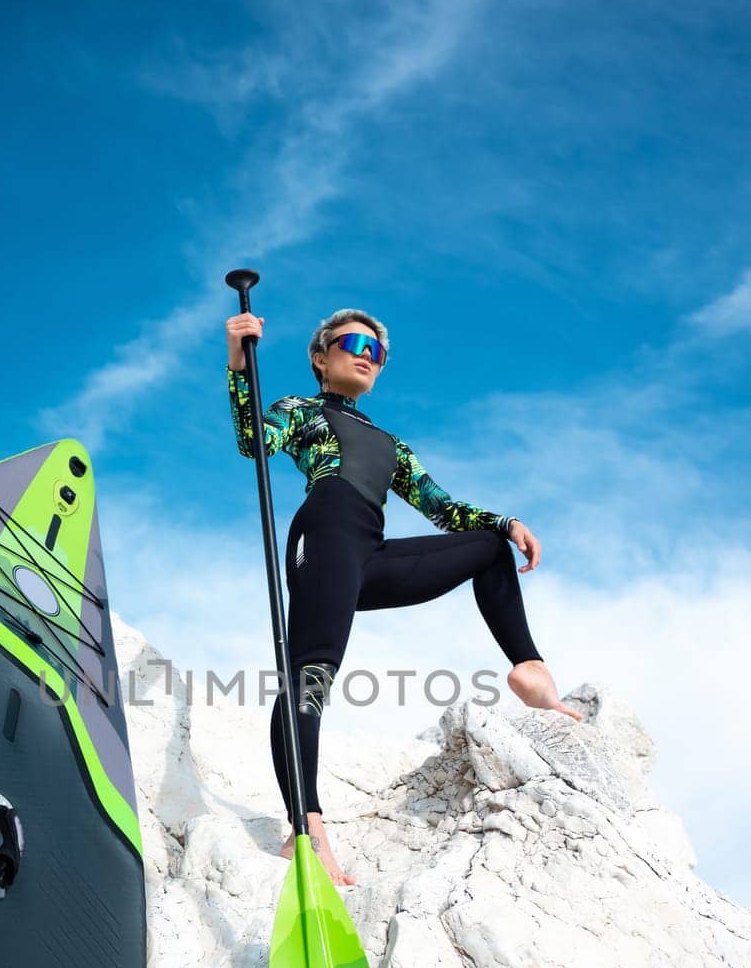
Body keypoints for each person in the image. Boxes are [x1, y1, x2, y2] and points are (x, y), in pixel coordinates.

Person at [225, 305, 582, 887]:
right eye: (352, 344)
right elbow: (252, 443)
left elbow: (443, 508)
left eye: (377, 352)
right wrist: (240, 364)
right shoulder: (299, 409)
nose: (366, 356)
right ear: (320, 357)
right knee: (310, 678)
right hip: (326, 536)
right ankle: (305, 828)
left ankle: (530, 668)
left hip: (371, 550)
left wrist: (506, 521)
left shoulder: (391, 443)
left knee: (488, 546)